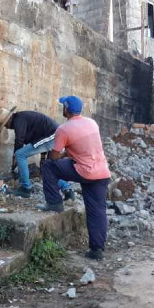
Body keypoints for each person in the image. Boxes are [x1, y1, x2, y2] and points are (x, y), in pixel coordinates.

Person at [40, 96, 111, 260]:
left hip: (84, 171)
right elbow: (84, 148)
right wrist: (70, 154)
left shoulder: (63, 129)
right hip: (102, 172)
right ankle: (96, 250)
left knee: (48, 167)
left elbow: (54, 157)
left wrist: (64, 155)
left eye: (62, 107)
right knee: (98, 211)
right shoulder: (92, 123)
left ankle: (54, 203)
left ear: (66, 109)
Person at [0, 107, 73, 198]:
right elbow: (39, 136)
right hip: (52, 136)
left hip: (52, 135)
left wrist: (15, 157)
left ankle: (25, 188)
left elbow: (19, 141)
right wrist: (43, 158)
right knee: (47, 169)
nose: (7, 127)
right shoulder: (23, 119)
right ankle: (67, 189)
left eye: (5, 125)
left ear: (8, 120)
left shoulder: (18, 119)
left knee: (20, 154)